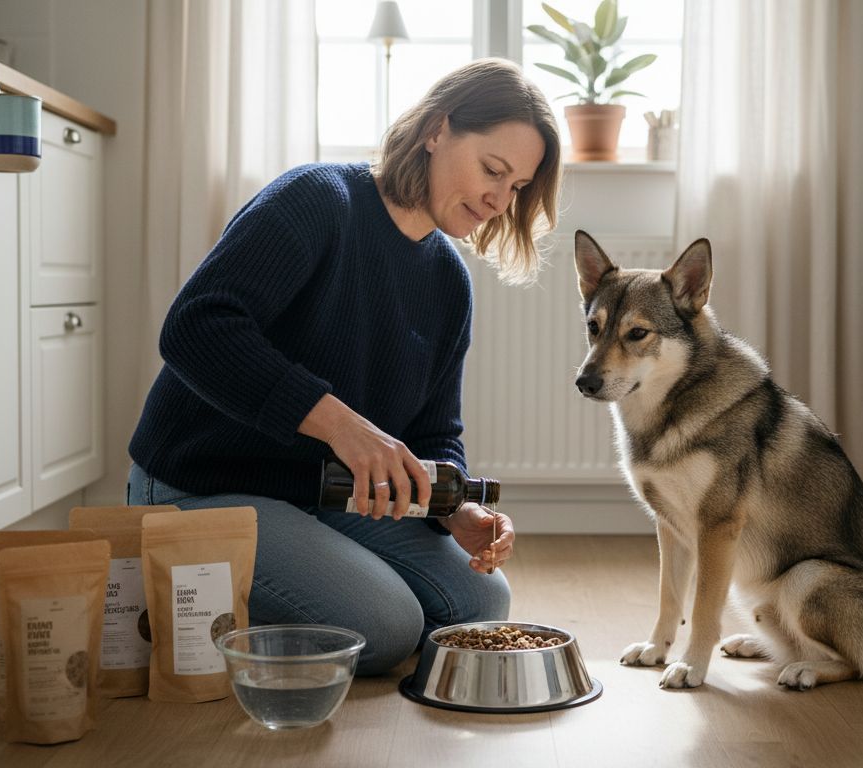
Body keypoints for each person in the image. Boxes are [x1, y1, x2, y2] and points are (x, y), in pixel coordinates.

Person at [126, 58, 562, 675]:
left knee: (479, 600)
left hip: (318, 494)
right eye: (493, 170)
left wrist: (455, 507)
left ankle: (275, 588)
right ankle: (178, 596)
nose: (499, 199)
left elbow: (436, 433)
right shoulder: (318, 200)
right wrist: (340, 424)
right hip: (203, 482)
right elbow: (195, 327)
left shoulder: (448, 280)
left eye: (516, 186)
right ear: (437, 130)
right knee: (385, 627)